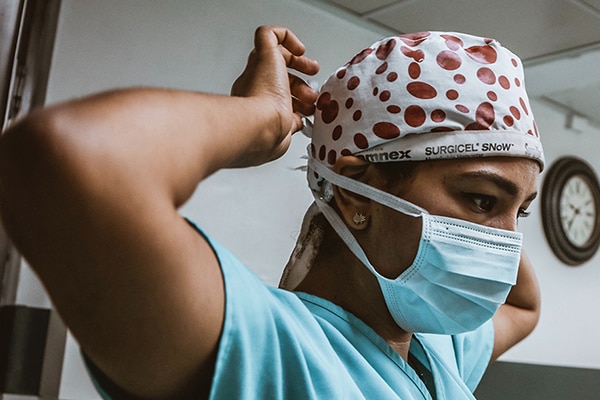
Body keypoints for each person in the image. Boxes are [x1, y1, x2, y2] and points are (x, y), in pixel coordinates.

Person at [0, 25, 542, 399]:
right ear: (355, 196)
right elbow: (67, 160)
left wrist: (502, 173)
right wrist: (260, 118)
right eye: (482, 200)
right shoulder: (269, 353)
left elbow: (523, 305)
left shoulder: (434, 353)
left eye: (520, 213)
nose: (506, 241)